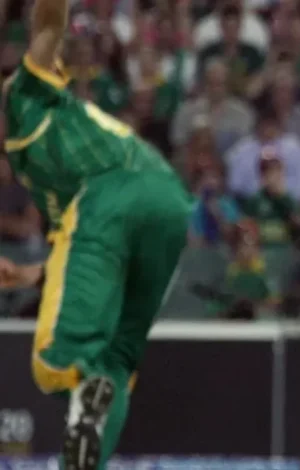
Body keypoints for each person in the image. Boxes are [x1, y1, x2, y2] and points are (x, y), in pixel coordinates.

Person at [0, 1, 192, 469]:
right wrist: (28, 275)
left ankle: (79, 386)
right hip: (168, 205)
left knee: (55, 361)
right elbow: (83, 262)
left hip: (112, 193)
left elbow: (48, 25)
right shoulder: (47, 181)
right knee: (115, 362)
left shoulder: (22, 95)